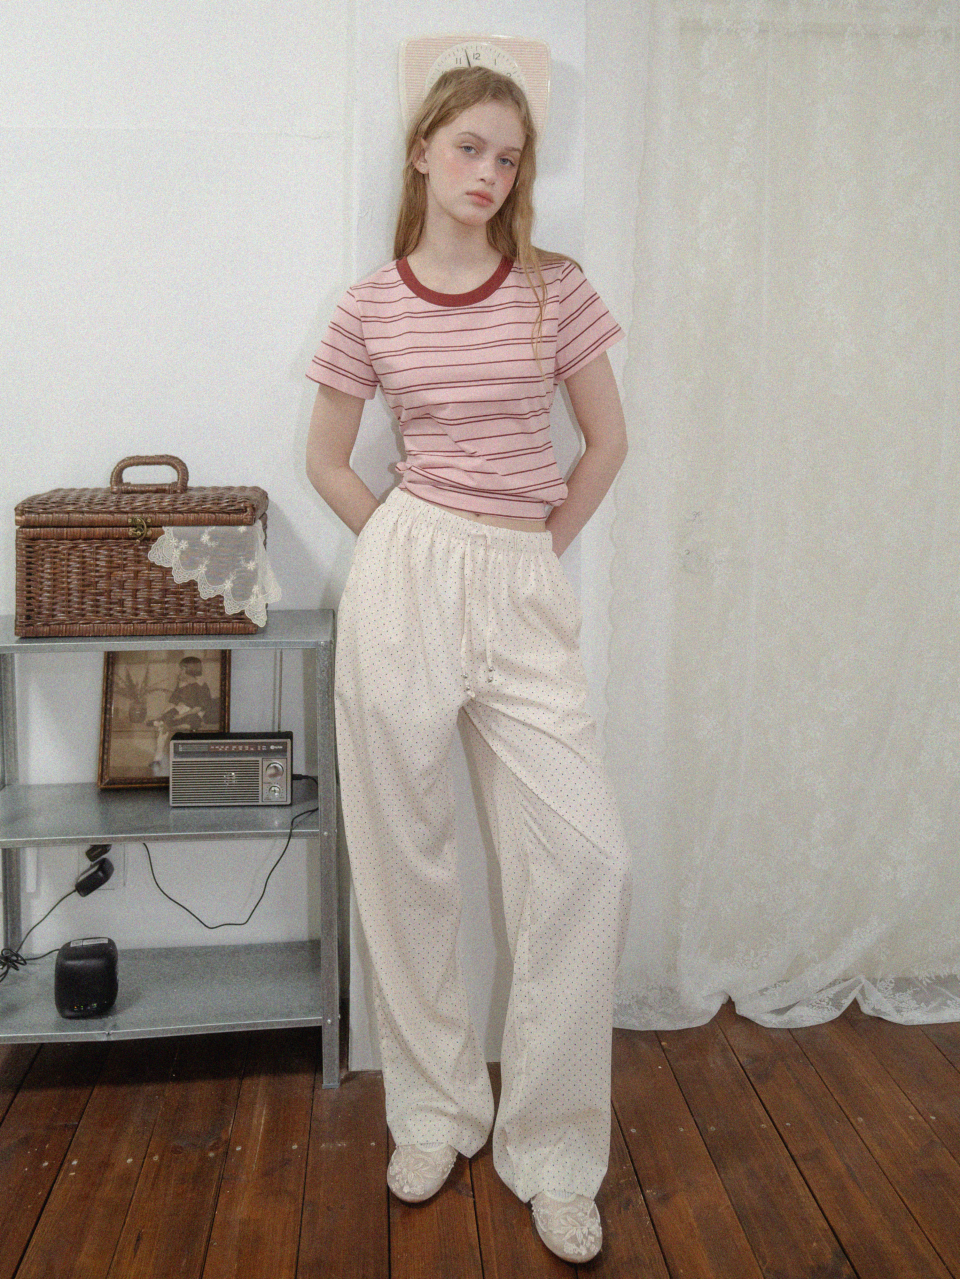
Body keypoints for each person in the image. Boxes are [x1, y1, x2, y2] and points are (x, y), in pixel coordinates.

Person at [305, 65, 631, 1265]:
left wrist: (530, 554)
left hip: (520, 575)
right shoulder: (368, 306)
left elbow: (608, 441)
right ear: (422, 153)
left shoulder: (556, 290)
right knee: (407, 852)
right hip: (407, 571)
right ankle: (435, 1111)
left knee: (588, 857)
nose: (489, 173)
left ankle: (553, 1147)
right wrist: (401, 544)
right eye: (469, 149)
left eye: (508, 156)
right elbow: (326, 457)